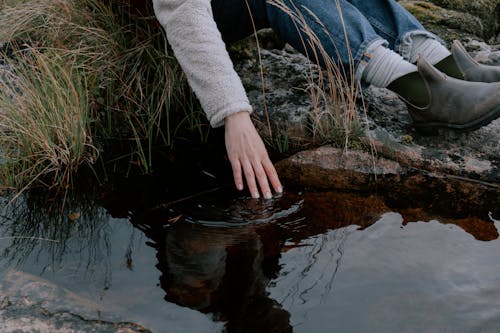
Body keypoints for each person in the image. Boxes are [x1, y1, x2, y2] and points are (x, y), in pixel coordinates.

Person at [151, 0, 500, 199]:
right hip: (167, 17)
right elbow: (181, 10)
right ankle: (420, 91)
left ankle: (443, 64)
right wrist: (233, 113)